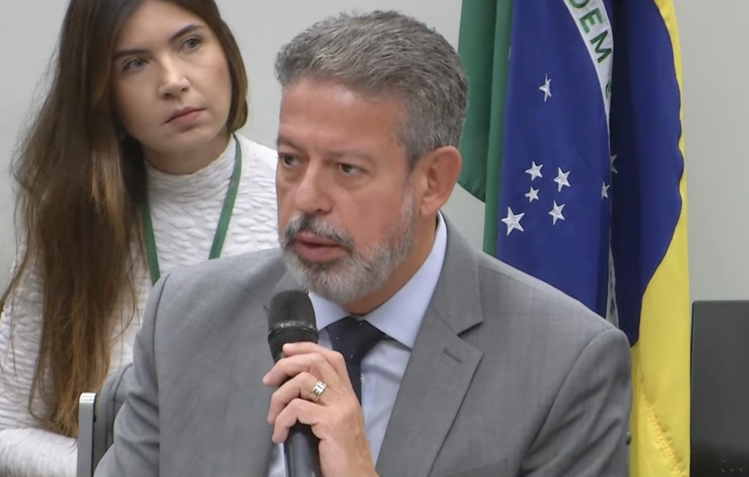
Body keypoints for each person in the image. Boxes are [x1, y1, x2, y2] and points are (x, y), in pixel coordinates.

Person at [96, 10, 632, 477]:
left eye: (347, 168)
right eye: (290, 160)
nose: (307, 199)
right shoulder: (186, 318)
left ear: (433, 182)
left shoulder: (565, 364)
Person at [0, 0, 279, 476]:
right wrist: (123, 469)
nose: (173, 81)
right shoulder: (70, 220)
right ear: (101, 93)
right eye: (135, 63)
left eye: (190, 43)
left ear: (226, 48)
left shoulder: (301, 200)